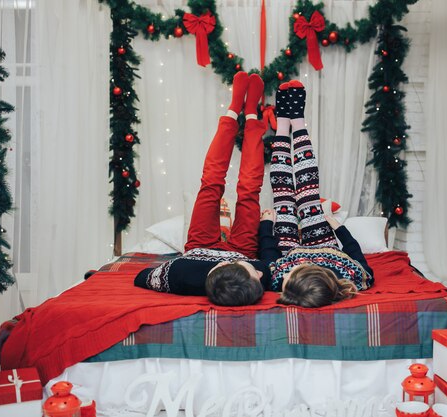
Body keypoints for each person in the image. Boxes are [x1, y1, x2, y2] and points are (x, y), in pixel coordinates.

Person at [135, 72, 271, 306]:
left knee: (211, 184)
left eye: (254, 275)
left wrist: (202, 279)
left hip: (200, 246)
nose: (260, 274)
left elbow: (140, 278)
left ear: (220, 270)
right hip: (243, 251)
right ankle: (250, 115)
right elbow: (267, 266)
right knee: (249, 191)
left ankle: (232, 110)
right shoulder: (260, 272)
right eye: (258, 277)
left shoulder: (181, 274)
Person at [257, 81, 374, 308]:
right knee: (307, 193)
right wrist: (338, 227)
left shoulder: (279, 278)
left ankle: (283, 123)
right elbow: (354, 251)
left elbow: (268, 253)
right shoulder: (354, 277)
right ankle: (297, 121)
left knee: (284, 195)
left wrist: (266, 225)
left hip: (287, 249)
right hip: (324, 243)